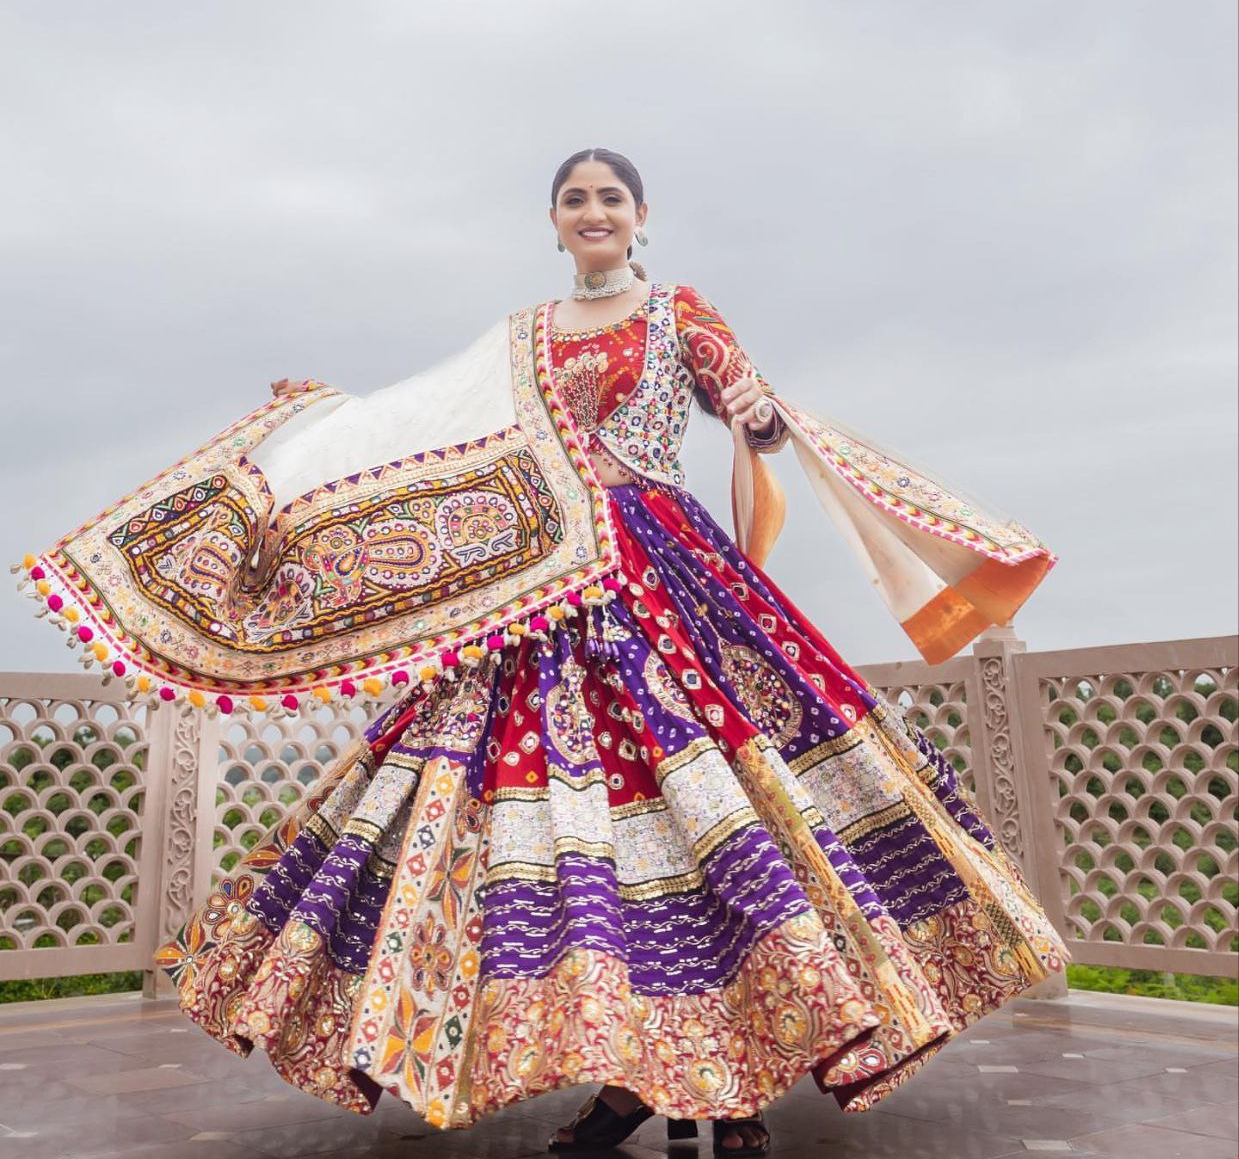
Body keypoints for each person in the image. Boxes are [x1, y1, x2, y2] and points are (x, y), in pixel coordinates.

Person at [20, 147, 1068, 1156]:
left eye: (612, 195)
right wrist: (321, 423)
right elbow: (420, 423)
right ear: (556, 221)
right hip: (538, 594)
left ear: (642, 215)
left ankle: (749, 1070)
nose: (595, 211)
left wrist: (754, 419)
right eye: (576, 198)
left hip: (667, 574)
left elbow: (754, 417)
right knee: (585, 842)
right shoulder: (519, 336)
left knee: (725, 815)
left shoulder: (680, 317)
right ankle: (629, 1073)